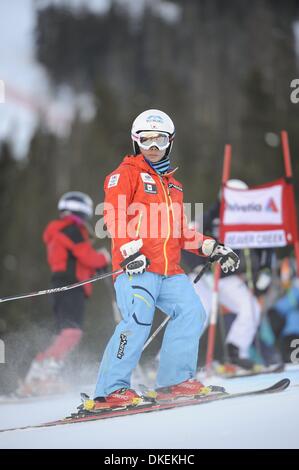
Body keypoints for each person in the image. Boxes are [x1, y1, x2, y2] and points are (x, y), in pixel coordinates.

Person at [82, 109, 240, 411]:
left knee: (193, 312)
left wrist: (211, 247)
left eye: (160, 139)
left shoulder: (174, 186)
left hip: (169, 270)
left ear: (170, 142)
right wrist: (129, 252)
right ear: (135, 141)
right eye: (146, 140)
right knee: (138, 319)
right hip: (137, 268)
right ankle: (110, 391)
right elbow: (113, 215)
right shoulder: (124, 174)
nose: (153, 145)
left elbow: (180, 231)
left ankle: (174, 382)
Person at [18, 191, 110, 396]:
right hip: (70, 287)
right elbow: (86, 256)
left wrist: (95, 266)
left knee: (65, 334)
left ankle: (37, 376)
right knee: (71, 333)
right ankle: (45, 377)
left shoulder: (60, 230)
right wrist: (102, 259)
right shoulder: (71, 229)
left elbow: (74, 260)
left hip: (62, 286)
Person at [182, 179, 276, 371]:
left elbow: (265, 243)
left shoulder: (248, 218)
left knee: (251, 309)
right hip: (203, 276)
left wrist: (265, 269)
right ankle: (166, 362)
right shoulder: (209, 217)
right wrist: (200, 268)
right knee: (201, 313)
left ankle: (235, 354)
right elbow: (186, 243)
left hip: (226, 277)